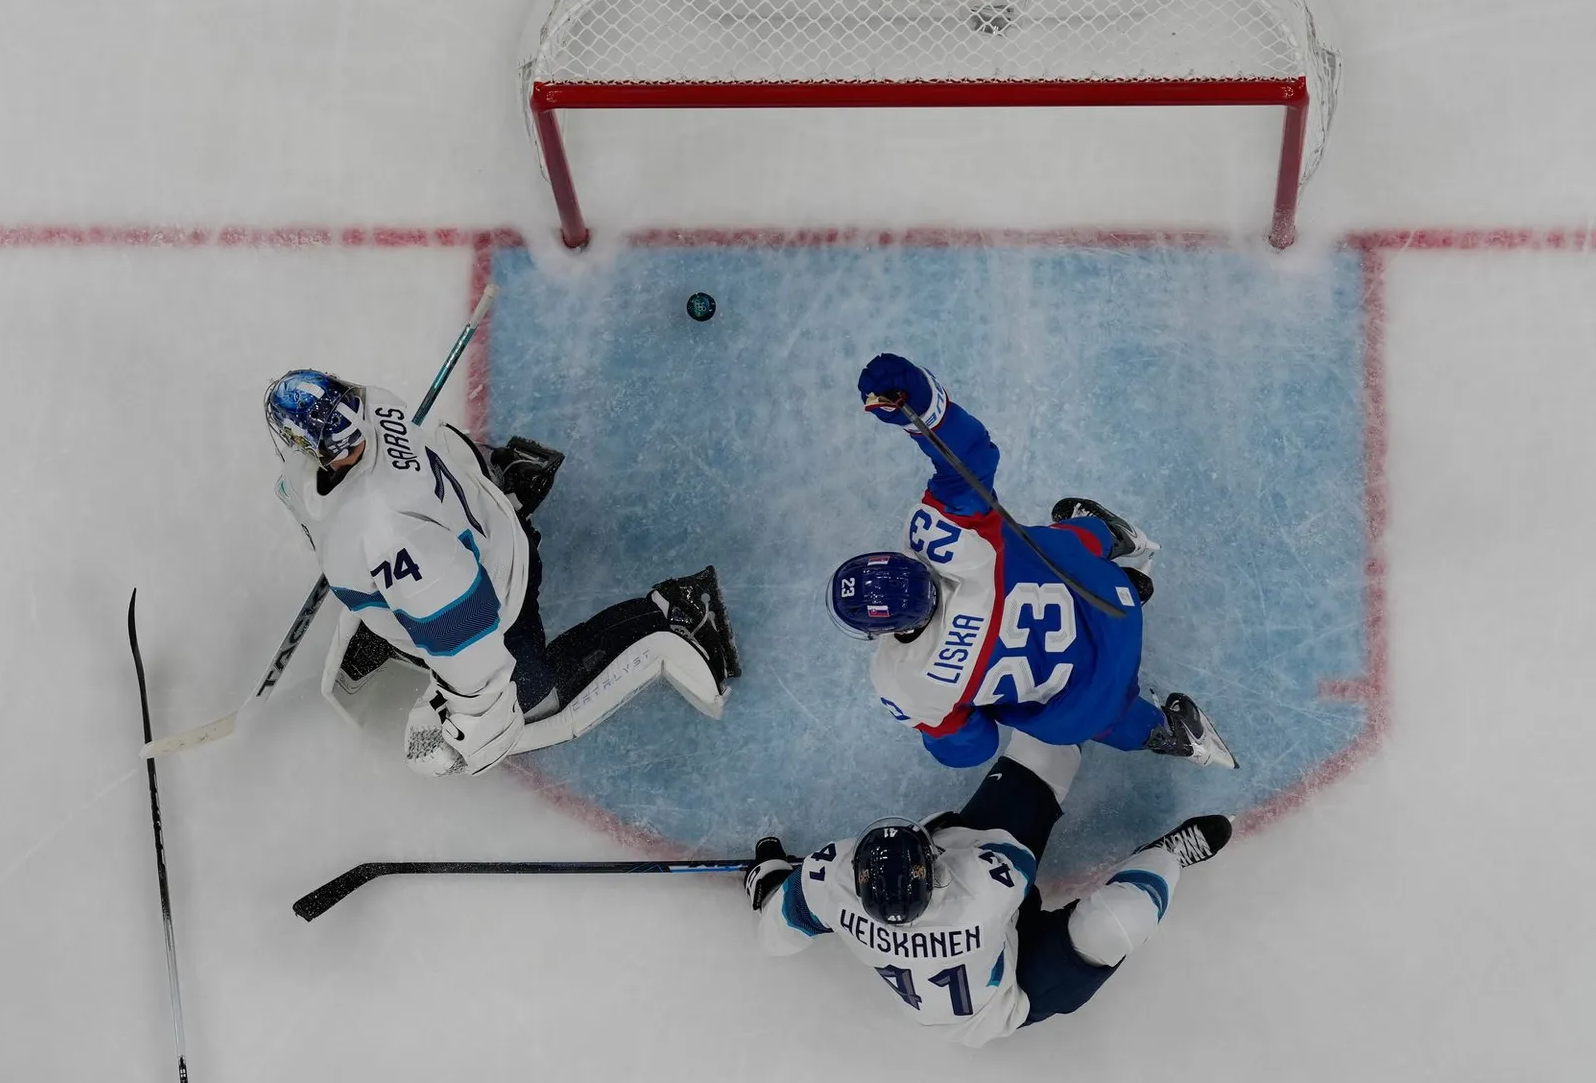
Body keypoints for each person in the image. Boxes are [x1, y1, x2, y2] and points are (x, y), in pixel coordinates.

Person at [264, 369, 740, 777]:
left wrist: (477, 712)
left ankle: (674, 617)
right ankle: (506, 478)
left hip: (496, 591)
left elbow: (462, 625)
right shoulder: (374, 403)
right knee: (443, 477)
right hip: (475, 519)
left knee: (532, 702)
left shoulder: (387, 534)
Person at [831, 353, 1236, 770]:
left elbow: (974, 748)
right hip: (1110, 599)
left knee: (1087, 718)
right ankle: (1113, 536)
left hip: (1092, 695)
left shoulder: (905, 683)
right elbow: (972, 454)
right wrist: (921, 403)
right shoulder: (943, 533)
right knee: (1036, 546)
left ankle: (1176, 736)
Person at [744, 733, 1233, 1044]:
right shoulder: (982, 887)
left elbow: (775, 933)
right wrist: (939, 833)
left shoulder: (831, 881)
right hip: (1009, 995)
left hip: (981, 941)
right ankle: (1167, 856)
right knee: (1118, 920)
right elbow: (1017, 859)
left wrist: (770, 884)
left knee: (1038, 770)